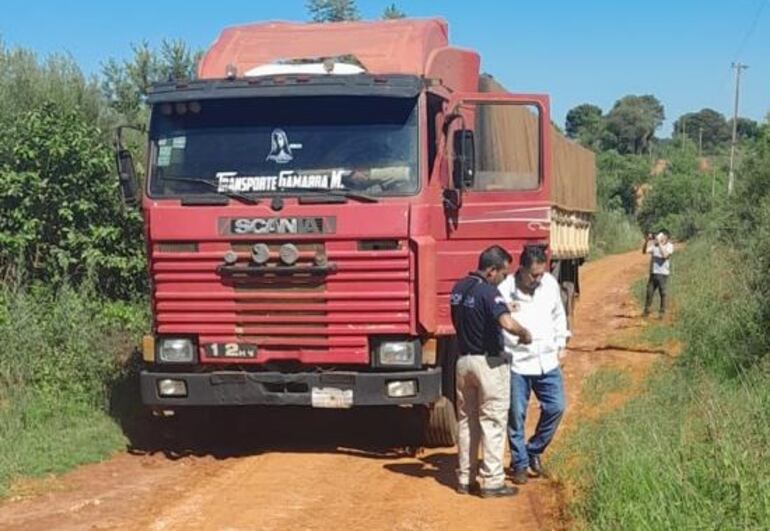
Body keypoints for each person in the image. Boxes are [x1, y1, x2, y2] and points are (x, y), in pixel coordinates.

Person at [450, 245, 532, 498]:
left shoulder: (458, 289)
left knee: (467, 422)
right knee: (493, 422)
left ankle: (465, 477)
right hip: (488, 363)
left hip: (463, 362)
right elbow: (506, 322)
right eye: (503, 273)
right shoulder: (489, 292)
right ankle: (493, 481)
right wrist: (524, 333)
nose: (505, 278)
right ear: (491, 270)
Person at [498, 246, 569, 485]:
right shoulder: (505, 289)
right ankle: (519, 463)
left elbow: (559, 314)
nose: (538, 279)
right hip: (517, 362)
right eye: (533, 275)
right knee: (516, 415)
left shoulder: (549, 284)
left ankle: (534, 450)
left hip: (547, 360)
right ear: (521, 269)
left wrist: (561, 343)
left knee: (556, 407)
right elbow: (500, 325)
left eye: (541, 274)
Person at [642, 230, 674, 317]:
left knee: (662, 293)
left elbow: (665, 256)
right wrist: (646, 241)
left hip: (663, 274)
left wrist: (659, 243)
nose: (659, 237)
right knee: (649, 292)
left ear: (666, 237)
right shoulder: (654, 246)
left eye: (661, 235)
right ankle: (646, 310)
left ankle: (662, 312)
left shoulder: (669, 246)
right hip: (653, 273)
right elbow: (644, 252)